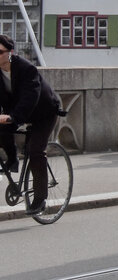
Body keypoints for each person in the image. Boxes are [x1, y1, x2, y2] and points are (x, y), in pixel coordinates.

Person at [0, 34, 62, 215]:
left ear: (10, 52)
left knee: (35, 151)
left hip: (44, 112)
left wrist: (13, 117)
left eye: (0, 52)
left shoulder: (26, 69)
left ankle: (40, 199)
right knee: (2, 131)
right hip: (18, 111)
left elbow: (30, 97)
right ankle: (12, 159)